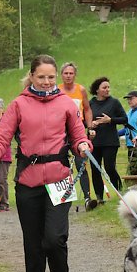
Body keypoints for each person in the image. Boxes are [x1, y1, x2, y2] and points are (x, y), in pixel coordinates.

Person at [0, 55, 91, 272]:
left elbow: (78, 135)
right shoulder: (18, 105)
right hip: (28, 183)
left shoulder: (66, 104)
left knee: (55, 240)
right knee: (34, 245)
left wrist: (84, 145)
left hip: (60, 181)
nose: (47, 82)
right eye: (41, 77)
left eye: (51, 77)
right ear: (31, 77)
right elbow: (1, 139)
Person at [60, 62, 96, 210]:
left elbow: (87, 109)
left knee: (81, 162)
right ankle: (61, 198)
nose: (68, 76)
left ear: (75, 75)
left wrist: (90, 126)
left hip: (77, 129)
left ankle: (87, 197)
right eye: (66, 73)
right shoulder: (57, 90)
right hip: (61, 130)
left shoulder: (81, 90)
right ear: (61, 75)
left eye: (71, 73)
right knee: (61, 164)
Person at [87, 76, 128, 205]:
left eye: (108, 87)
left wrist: (110, 120)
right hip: (94, 141)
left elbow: (124, 119)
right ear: (97, 90)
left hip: (110, 141)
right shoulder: (90, 103)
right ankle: (99, 197)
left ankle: (119, 192)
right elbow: (82, 120)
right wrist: (90, 124)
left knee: (110, 168)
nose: (107, 90)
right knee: (95, 169)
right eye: (104, 87)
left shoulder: (114, 102)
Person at [118, 90, 137, 174]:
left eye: (131, 99)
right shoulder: (129, 112)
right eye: (128, 99)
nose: (129, 101)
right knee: (133, 169)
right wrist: (116, 134)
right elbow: (127, 128)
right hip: (130, 145)